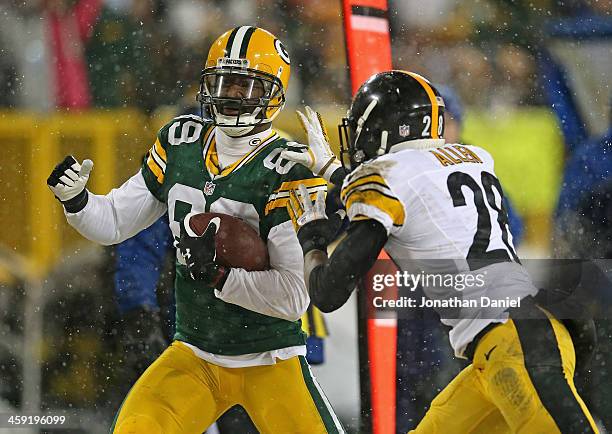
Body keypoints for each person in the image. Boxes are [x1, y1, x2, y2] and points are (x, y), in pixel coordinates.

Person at [47, 26, 344, 434]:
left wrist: (221, 277)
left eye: (246, 86)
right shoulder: (180, 140)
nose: (232, 95)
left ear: (274, 93)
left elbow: (293, 298)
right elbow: (114, 221)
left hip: (269, 358)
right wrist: (78, 201)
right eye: (225, 82)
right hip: (195, 353)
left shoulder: (288, 167)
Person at [283, 70, 599, 433]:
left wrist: (310, 237)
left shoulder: (389, 178)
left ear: (389, 128)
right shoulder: (473, 156)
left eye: (364, 128)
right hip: (506, 341)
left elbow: (327, 291)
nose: (359, 138)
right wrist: (336, 173)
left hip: (515, 343)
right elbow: (413, 185)